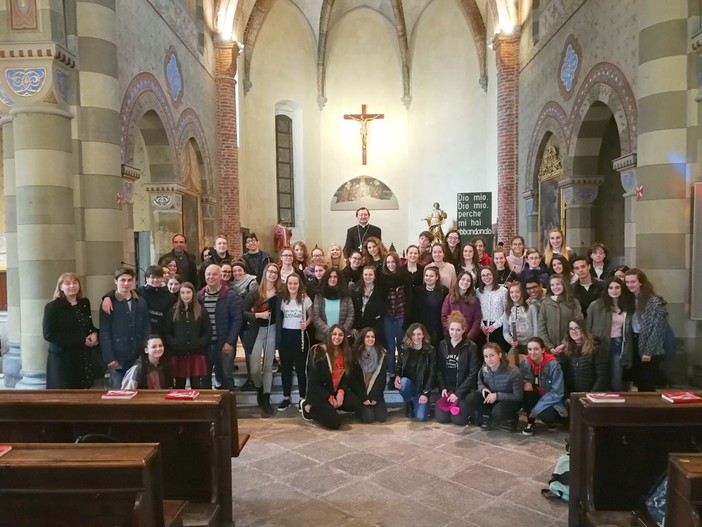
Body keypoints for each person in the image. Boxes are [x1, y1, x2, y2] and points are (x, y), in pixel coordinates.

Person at [43, 272, 99, 389]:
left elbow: (88, 326)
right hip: (63, 358)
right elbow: (49, 334)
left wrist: (94, 334)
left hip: (82, 356)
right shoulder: (52, 307)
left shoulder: (84, 303)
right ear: (61, 287)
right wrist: (81, 340)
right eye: (67, 283)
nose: (72, 286)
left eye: (75, 283)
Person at [100, 267, 151, 389]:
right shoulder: (109, 303)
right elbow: (104, 332)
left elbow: (146, 327)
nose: (126, 284)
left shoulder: (140, 301)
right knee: (118, 392)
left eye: (129, 280)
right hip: (118, 356)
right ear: (115, 281)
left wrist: (145, 351)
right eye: (123, 280)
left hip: (137, 354)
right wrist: (110, 358)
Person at [197, 263, 242, 391]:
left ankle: (227, 408)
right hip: (205, 345)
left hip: (224, 343)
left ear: (220, 276)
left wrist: (230, 342)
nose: (211, 277)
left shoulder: (230, 295)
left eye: (214, 274)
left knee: (226, 377)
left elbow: (237, 320)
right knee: (204, 377)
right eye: (208, 274)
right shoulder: (199, 296)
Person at [300, 325, 355, 430]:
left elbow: (346, 377)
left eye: (340, 335)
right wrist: (328, 397)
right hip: (319, 394)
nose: (337, 337)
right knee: (334, 423)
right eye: (334, 334)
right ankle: (308, 408)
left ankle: (330, 409)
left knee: (356, 404)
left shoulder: (345, 353)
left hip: (335, 392)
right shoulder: (318, 351)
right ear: (329, 335)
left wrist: (341, 392)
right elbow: (313, 381)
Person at [624, 268, 669, 392]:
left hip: (649, 345)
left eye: (632, 282)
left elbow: (658, 329)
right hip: (634, 341)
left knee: (646, 382)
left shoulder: (654, 301)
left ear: (641, 282)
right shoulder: (630, 299)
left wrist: (648, 352)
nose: (629, 285)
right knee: (638, 381)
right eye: (627, 282)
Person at [587, 277, 635, 391]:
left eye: (617, 287)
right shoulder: (596, 305)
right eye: (611, 288)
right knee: (600, 377)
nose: (614, 290)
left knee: (616, 377)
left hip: (618, 344)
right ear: (606, 289)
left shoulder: (627, 306)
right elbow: (588, 326)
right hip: (600, 344)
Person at [434, 311, 480, 426]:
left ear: (463, 330)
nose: (454, 333)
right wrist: (443, 387)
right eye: (452, 329)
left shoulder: (471, 347)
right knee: (442, 419)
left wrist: (458, 394)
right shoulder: (442, 345)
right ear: (448, 329)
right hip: (448, 389)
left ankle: (468, 410)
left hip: (463, 390)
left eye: (458, 330)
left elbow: (473, 372)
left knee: (458, 421)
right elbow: (439, 369)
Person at [246, 262, 280, 417]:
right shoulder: (255, 292)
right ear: (265, 273)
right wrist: (258, 315)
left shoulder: (280, 292)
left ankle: (266, 397)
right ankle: (259, 388)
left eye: (275, 272)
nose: (272, 274)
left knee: (267, 365)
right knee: (254, 369)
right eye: (270, 272)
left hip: (272, 330)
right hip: (256, 331)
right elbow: (241, 311)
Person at [163, 281, 211, 390]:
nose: (186, 295)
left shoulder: (201, 310)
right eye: (183, 293)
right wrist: (174, 343)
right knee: (180, 384)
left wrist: (199, 343)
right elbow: (167, 332)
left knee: (196, 384)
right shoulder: (173, 311)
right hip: (179, 353)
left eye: (188, 292)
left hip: (196, 352)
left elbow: (207, 331)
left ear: (193, 293)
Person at [467, 343, 523, 432]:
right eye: (486, 356)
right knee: (471, 398)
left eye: (492, 355)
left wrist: (497, 396)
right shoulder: (484, 369)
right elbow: (480, 383)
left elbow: (518, 396)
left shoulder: (513, 372)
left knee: (498, 411)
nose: (489, 359)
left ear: (500, 355)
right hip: (491, 397)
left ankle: (511, 419)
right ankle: (487, 417)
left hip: (509, 400)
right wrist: (483, 389)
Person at [277, 273, 312, 411]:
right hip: (286, 335)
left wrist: (307, 323)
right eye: (290, 283)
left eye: (295, 283)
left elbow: (312, 315)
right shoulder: (282, 300)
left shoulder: (305, 299)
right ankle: (286, 397)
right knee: (285, 368)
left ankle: (302, 397)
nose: (292, 286)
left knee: (300, 368)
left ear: (299, 285)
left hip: (300, 336)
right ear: (287, 285)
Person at [520, 337, 567, 436]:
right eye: (530, 349)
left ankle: (551, 422)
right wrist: (524, 383)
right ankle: (530, 422)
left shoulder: (553, 364)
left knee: (546, 414)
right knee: (527, 393)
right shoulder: (525, 362)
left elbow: (557, 392)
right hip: (534, 395)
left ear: (543, 350)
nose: (532, 352)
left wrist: (537, 409)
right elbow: (521, 378)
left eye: (536, 349)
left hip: (551, 399)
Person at [394, 323, 436, 421]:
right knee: (403, 383)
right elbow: (399, 365)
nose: (416, 337)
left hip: (422, 389)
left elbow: (432, 374)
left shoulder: (430, 350)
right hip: (409, 385)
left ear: (423, 335)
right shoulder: (404, 349)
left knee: (421, 418)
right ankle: (409, 402)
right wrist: (397, 375)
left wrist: (425, 393)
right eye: (413, 334)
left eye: (419, 334)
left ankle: (416, 401)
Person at [379, 251, 409, 387]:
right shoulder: (382, 278)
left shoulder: (405, 276)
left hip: (402, 316)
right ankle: (391, 375)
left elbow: (409, 298)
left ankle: (401, 374)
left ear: (397, 263)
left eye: (393, 262)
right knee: (390, 348)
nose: (391, 265)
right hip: (388, 317)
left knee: (401, 346)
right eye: (388, 262)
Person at [558, 319, 609, 397]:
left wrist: (591, 395)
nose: (573, 331)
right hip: (573, 396)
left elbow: (601, 377)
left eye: (577, 328)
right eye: (571, 329)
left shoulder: (596, 348)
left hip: (592, 396)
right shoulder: (566, 351)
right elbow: (563, 377)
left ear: (584, 330)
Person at [347, 328, 388, 423]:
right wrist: (364, 398)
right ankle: (361, 409)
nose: (370, 339)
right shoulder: (355, 354)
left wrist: (375, 396)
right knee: (368, 418)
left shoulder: (382, 354)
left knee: (382, 417)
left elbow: (382, 378)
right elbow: (353, 380)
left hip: (375, 393)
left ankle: (372, 407)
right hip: (361, 394)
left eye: (373, 337)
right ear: (363, 338)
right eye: (368, 337)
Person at [230, 260, 259, 391]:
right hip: (235, 319)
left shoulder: (251, 281)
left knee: (249, 351)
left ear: (244, 271)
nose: (237, 273)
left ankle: (252, 379)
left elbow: (252, 300)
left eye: (239, 270)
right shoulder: (231, 284)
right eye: (234, 271)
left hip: (247, 320)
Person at [537, 273, 583, 355]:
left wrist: (564, 344)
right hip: (550, 350)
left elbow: (579, 323)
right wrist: (550, 347)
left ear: (564, 285)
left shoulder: (573, 302)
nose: (555, 287)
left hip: (570, 348)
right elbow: (541, 327)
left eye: (558, 284)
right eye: (552, 285)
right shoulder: (545, 303)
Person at [312, 268, 354, 342]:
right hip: (323, 338)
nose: (332, 279)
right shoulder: (319, 296)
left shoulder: (346, 296)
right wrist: (331, 332)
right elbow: (316, 316)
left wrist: (340, 332)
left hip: (342, 338)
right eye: (330, 277)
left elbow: (351, 314)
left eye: (335, 277)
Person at [441, 271, 482, 343]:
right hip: (451, 337)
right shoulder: (449, 298)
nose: (465, 282)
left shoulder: (475, 301)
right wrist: (454, 333)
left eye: (468, 280)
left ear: (471, 284)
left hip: (468, 339)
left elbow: (477, 320)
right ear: (458, 280)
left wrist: (469, 337)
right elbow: (444, 317)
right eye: (463, 279)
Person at [413, 265, 448, 349]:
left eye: (431, 276)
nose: (428, 278)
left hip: (437, 327)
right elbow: (415, 310)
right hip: (422, 326)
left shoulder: (444, 291)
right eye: (426, 275)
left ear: (437, 277)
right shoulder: (418, 291)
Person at [476, 266, 509, 352]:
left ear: (493, 275)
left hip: (498, 327)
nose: (486, 277)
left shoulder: (503, 291)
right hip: (483, 328)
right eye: (483, 275)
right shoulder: (478, 292)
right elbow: (476, 311)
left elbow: (507, 311)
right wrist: (482, 325)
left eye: (489, 274)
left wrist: (494, 326)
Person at [503, 281, 539, 356]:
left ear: (522, 292)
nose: (514, 295)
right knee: (509, 363)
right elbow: (505, 331)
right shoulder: (507, 310)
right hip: (516, 345)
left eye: (517, 292)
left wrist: (535, 343)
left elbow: (536, 327)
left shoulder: (531, 307)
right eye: (511, 292)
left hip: (530, 345)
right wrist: (511, 341)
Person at [352, 265, 385, 345]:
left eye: (370, 275)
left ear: (374, 276)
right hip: (358, 328)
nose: (368, 277)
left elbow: (381, 311)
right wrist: (353, 327)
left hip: (373, 329)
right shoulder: (356, 290)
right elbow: (353, 310)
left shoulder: (380, 291)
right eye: (365, 274)